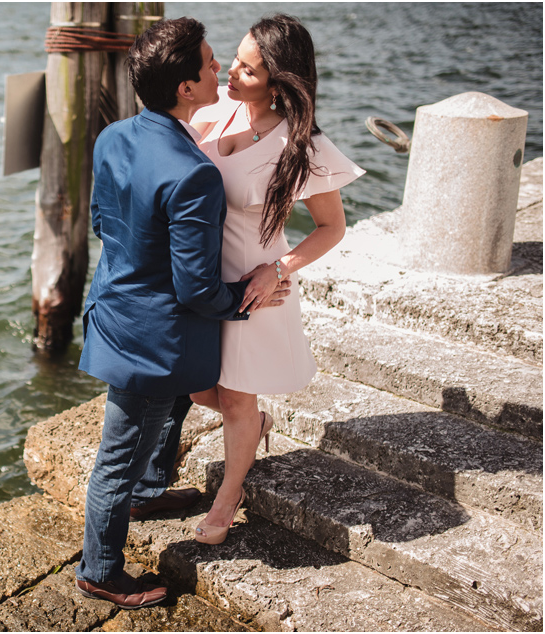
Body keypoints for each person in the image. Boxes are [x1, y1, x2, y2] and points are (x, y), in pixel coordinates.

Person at [75, 17, 291, 609]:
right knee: (115, 459)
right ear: (187, 90)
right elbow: (197, 290)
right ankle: (100, 571)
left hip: (116, 308)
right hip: (152, 339)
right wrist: (248, 299)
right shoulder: (194, 172)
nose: (220, 68)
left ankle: (148, 491)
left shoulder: (112, 137)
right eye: (210, 63)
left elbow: (102, 223)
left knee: (159, 418)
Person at [188, 13, 365, 544]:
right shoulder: (216, 108)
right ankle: (256, 429)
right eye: (234, 61)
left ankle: (227, 498)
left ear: (279, 80)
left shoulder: (300, 144)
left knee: (238, 399)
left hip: (253, 285)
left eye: (246, 68)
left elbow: (332, 227)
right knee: (198, 389)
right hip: (200, 278)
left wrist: (278, 269)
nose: (231, 74)